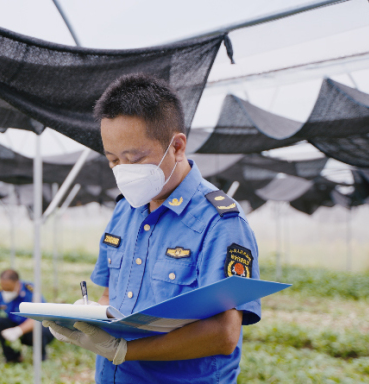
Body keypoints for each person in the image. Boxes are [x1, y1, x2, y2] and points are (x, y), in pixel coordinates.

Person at [43, 73, 262, 384]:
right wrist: (91, 316)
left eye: (135, 159)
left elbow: (223, 334)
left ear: (177, 147)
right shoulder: (124, 211)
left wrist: (124, 350)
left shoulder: (220, 223)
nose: (123, 171)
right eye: (113, 160)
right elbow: (109, 296)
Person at [0, 269, 54, 363]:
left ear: (17, 283)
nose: (6, 291)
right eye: (3, 288)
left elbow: (42, 316)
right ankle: (13, 358)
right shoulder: (0, 294)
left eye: (8, 289)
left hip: (35, 330)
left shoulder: (30, 291)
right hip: (16, 328)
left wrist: (19, 330)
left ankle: (41, 357)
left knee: (40, 328)